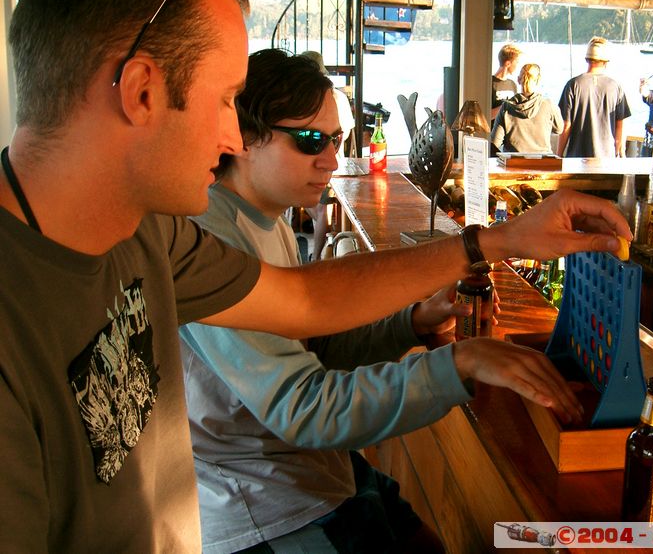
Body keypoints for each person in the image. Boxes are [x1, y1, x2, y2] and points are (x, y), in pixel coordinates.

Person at [0, 0, 630, 551]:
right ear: (141, 92)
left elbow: (301, 301)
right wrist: (461, 362)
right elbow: (302, 399)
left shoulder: (148, 233)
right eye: (225, 99)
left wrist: (495, 241)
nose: (231, 136)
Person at [181, 48, 506, 553]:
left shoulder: (271, 219)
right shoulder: (212, 239)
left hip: (315, 470)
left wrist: (412, 323)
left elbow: (313, 351)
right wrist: (460, 365)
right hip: (262, 503)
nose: (331, 159)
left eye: (336, 139)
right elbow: (303, 407)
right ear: (244, 138)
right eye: (311, 140)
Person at [299, 50, 356, 260]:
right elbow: (347, 133)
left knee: (321, 209)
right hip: (341, 163)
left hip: (336, 166)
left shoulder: (330, 97)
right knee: (318, 209)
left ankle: (316, 258)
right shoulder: (338, 96)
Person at [557, 36, 631, 158]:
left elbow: (566, 125)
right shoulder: (615, 86)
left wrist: (559, 155)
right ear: (605, 61)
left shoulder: (573, 85)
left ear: (587, 59)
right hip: (606, 160)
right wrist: (620, 153)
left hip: (577, 159)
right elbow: (620, 125)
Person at [490, 63, 563, 155]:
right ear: (538, 80)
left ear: (518, 80)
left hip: (514, 165)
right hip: (543, 163)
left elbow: (495, 142)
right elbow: (559, 129)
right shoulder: (549, 105)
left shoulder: (507, 107)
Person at [491, 43, 523, 120]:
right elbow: (487, 115)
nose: (517, 65)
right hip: (494, 130)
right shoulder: (490, 83)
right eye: (517, 62)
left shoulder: (512, 84)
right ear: (508, 63)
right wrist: (506, 106)